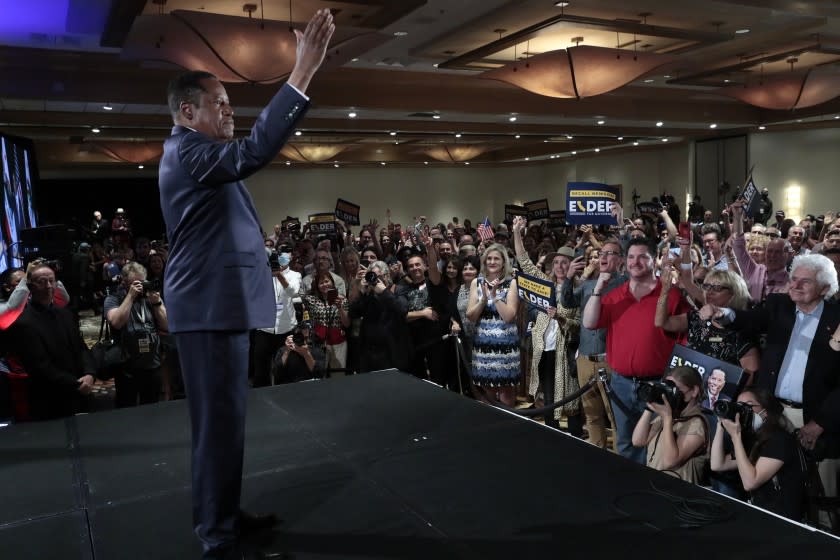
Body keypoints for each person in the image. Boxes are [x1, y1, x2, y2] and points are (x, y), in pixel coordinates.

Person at [157, 10, 335, 558]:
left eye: (230, 105)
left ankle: (225, 516)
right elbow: (255, 151)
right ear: (188, 111)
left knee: (227, 424)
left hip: (218, 309)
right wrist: (300, 73)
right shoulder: (189, 150)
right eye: (220, 104)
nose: (229, 112)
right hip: (207, 311)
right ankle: (216, 534)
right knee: (216, 427)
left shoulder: (199, 155)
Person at [700, 253, 840, 509]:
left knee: (819, 494)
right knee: (765, 481)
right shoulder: (779, 305)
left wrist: (819, 424)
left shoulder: (837, 318)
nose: (795, 285)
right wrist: (725, 313)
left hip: (816, 418)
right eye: (793, 279)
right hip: (770, 411)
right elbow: (750, 320)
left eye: (805, 282)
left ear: (825, 288)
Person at [583, 238, 690, 464]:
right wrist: (598, 289)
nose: (635, 262)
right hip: (621, 383)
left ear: (654, 261)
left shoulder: (670, 296)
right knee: (625, 441)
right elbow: (589, 323)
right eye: (631, 257)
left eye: (642, 256)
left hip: (657, 383)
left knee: (655, 444)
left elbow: (685, 343)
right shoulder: (614, 295)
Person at [512, 216, 580, 430]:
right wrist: (516, 232)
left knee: (570, 394)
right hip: (544, 347)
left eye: (564, 262)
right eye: (556, 262)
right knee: (548, 393)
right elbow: (525, 262)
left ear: (572, 266)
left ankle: (576, 433)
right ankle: (552, 430)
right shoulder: (543, 283)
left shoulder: (578, 290)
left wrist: (560, 317)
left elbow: (579, 324)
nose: (559, 266)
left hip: (565, 350)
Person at [5, 263, 96, 421]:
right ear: (30, 287)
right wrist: (76, 384)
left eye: (51, 281)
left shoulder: (66, 313)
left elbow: (82, 347)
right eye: (42, 281)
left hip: (79, 390)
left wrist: (89, 373)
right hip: (50, 398)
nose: (48, 286)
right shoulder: (24, 322)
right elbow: (40, 367)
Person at [710, 387, 806, 520]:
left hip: (781, 519)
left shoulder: (780, 439)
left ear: (765, 412)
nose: (742, 410)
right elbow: (717, 464)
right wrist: (721, 426)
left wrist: (736, 437)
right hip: (760, 512)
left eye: (748, 405)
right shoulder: (753, 438)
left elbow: (750, 482)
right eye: (739, 406)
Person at [104, 262, 168, 408]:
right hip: (127, 366)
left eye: (142, 282)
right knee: (127, 407)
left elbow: (167, 325)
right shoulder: (114, 298)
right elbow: (116, 322)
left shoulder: (150, 298)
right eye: (135, 283)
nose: (140, 287)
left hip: (153, 363)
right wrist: (130, 297)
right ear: (125, 282)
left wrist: (157, 303)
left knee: (152, 407)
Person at [632, 366, 709, 484]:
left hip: (676, 492)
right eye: (668, 389)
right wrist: (650, 404)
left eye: (676, 390)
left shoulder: (696, 423)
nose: (671, 395)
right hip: (653, 484)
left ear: (694, 391)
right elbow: (638, 441)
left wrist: (667, 418)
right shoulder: (670, 413)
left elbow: (670, 461)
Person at [466, 243, 520, 406]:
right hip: (483, 348)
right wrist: (483, 299)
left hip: (506, 348)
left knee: (506, 392)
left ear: (504, 262)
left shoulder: (512, 283)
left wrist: (495, 296)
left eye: (496, 258)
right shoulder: (477, 282)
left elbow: (509, 316)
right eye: (489, 258)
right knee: (486, 392)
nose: (492, 261)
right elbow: (471, 316)